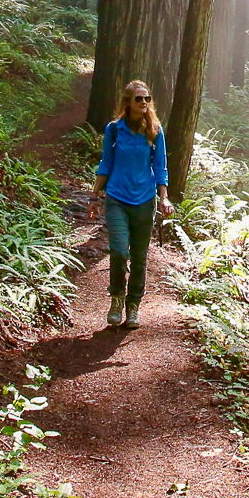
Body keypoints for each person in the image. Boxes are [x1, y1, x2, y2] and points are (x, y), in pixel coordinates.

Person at [89, 79, 173, 329]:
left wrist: (164, 197)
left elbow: (160, 167)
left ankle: (133, 305)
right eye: (139, 98)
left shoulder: (155, 131)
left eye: (147, 98)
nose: (144, 102)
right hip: (116, 198)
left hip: (145, 200)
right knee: (118, 250)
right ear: (128, 102)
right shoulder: (114, 130)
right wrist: (94, 196)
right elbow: (106, 164)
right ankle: (116, 298)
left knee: (139, 257)